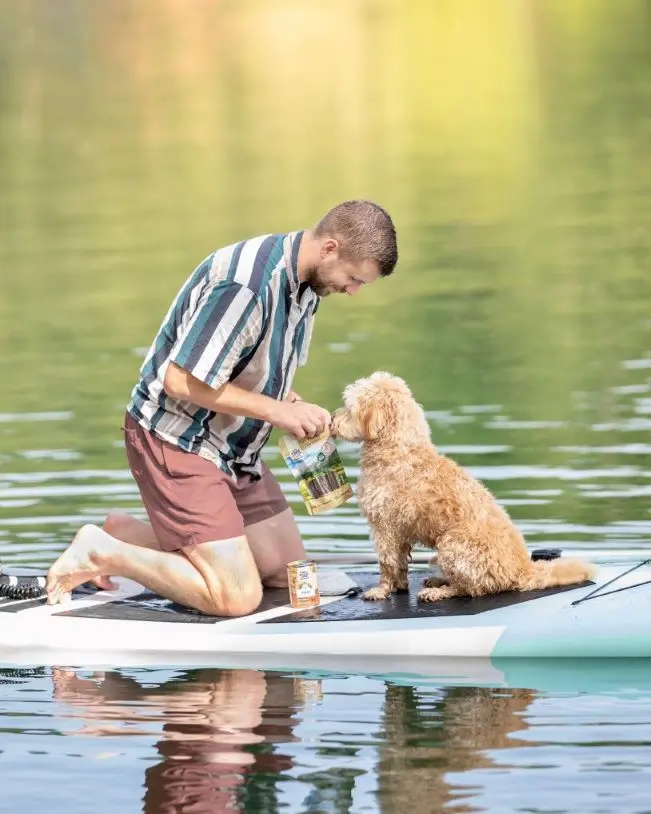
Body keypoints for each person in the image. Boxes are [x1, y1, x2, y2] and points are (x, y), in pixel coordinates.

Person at [46, 200, 398, 616]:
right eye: (354, 278)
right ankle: (102, 552)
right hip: (178, 438)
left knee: (285, 571)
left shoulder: (308, 283)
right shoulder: (246, 287)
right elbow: (180, 380)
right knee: (235, 596)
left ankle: (128, 535)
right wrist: (275, 412)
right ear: (330, 248)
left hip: (233, 445)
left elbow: (245, 365)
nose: (353, 291)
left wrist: (290, 402)